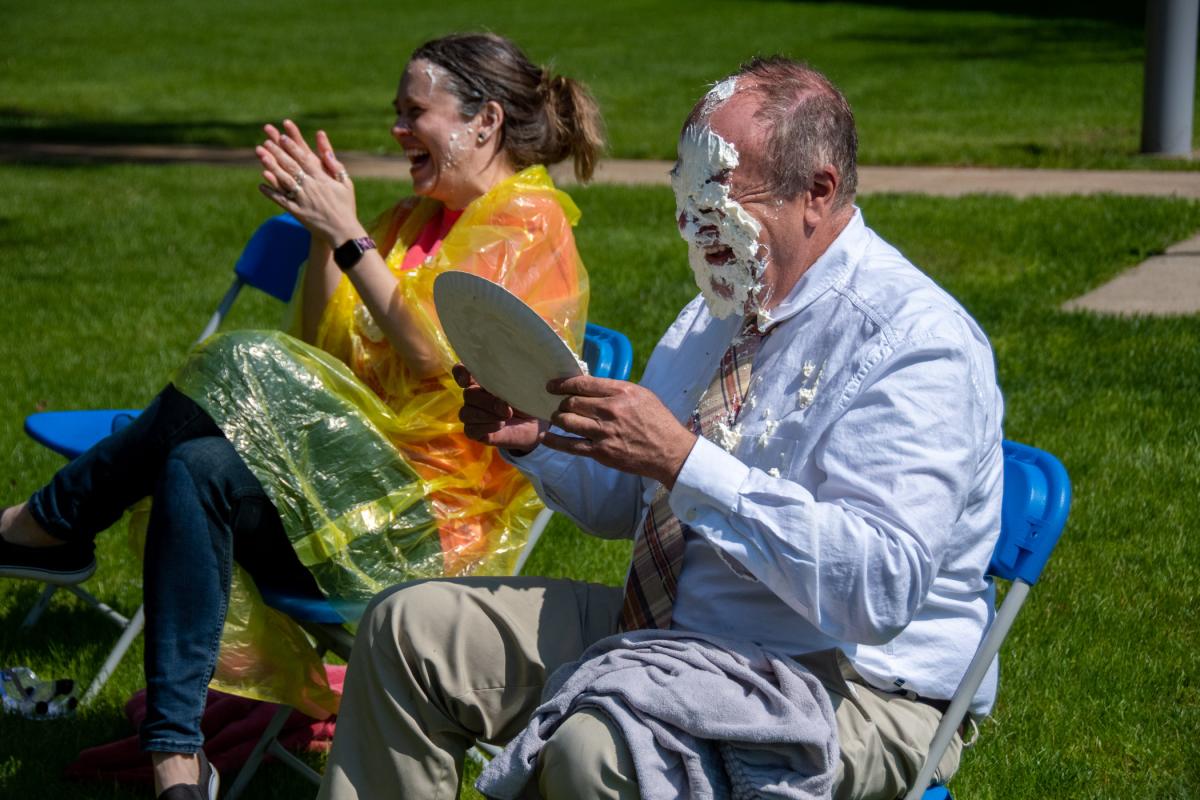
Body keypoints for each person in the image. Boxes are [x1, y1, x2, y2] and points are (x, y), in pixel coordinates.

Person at [319, 56, 1005, 800]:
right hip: (678, 631)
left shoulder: (915, 342)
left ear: (819, 192)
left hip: (848, 684)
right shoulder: (715, 311)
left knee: (597, 750)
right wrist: (541, 438)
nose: (693, 221)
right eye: (686, 193)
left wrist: (685, 461)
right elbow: (625, 506)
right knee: (409, 630)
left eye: (720, 193)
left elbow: (877, 591)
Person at [0, 32, 602, 800]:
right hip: (350, 498)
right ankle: (176, 763)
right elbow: (324, 352)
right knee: (196, 464)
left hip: (428, 537)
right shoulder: (410, 223)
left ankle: (50, 521)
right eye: (395, 111)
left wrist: (349, 237)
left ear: (484, 121)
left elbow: (435, 356)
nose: (396, 129)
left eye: (414, 111)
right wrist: (328, 237)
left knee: (241, 364)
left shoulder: (530, 226)